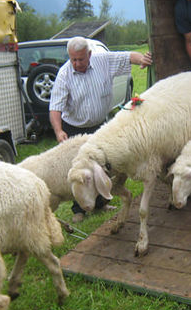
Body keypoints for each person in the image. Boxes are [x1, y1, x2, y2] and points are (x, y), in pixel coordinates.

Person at [49, 36, 152, 222]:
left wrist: (143, 60)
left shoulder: (103, 60)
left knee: (102, 167)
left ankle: (101, 203)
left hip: (99, 128)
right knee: (80, 171)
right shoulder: (64, 75)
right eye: (73, 59)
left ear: (89, 54)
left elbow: (127, 57)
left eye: (80, 59)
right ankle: (79, 209)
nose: (76, 63)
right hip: (74, 128)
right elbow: (55, 107)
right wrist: (58, 131)